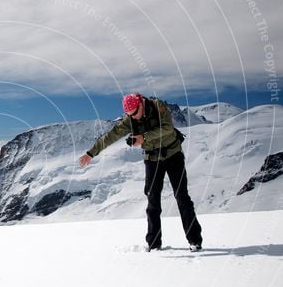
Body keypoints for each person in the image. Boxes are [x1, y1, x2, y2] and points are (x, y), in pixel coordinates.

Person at [78, 93, 203, 252]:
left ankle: (195, 241)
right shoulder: (130, 119)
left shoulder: (158, 107)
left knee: (182, 197)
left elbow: (168, 128)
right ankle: (154, 244)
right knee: (152, 200)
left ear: (141, 104)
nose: (134, 118)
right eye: (130, 115)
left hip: (173, 154)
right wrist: (91, 153)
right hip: (151, 159)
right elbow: (111, 136)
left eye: (135, 113)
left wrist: (143, 137)